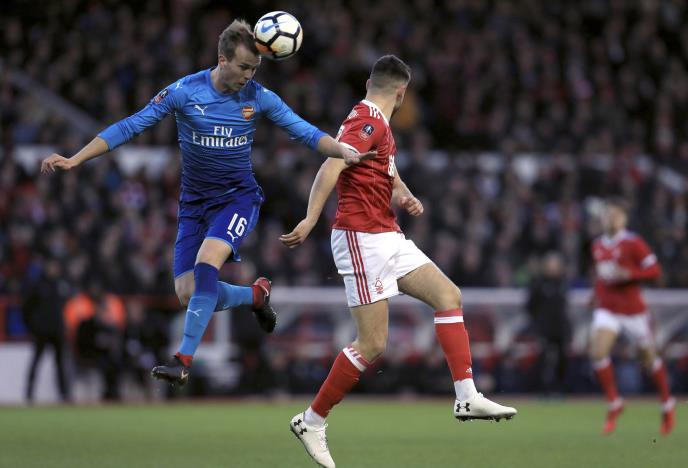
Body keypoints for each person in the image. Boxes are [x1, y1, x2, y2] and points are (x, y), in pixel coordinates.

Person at [40, 19, 372, 386]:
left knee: (206, 264)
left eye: (254, 68)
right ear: (222, 59)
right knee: (188, 293)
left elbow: (305, 131)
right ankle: (255, 296)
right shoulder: (185, 91)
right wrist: (76, 158)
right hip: (194, 206)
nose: (249, 75)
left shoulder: (259, 97)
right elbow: (130, 126)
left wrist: (343, 150)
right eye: (243, 67)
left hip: (238, 199)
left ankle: (182, 360)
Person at [280, 55, 516, 468]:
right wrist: (311, 217)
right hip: (361, 237)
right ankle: (311, 421)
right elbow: (332, 164)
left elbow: (381, 168)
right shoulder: (368, 121)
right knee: (373, 344)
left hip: (386, 234)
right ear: (402, 93)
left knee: (448, 296)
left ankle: (466, 396)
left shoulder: (376, 123)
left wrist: (401, 192)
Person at [589, 197, 675, 435]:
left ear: (624, 219)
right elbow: (602, 276)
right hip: (607, 308)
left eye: (615, 215)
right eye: (607, 214)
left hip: (632, 310)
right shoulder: (597, 245)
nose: (610, 219)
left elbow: (655, 270)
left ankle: (667, 403)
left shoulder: (633, 242)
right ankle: (614, 403)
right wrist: (595, 295)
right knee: (598, 352)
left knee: (648, 358)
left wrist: (631, 274)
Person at [22, 258, 71, 403]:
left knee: (60, 364)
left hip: (57, 331)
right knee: (36, 361)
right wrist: (32, 327)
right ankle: (29, 393)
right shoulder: (38, 285)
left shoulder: (61, 284)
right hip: (42, 331)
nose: (54, 269)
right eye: (51, 266)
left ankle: (63, 394)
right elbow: (26, 308)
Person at [525, 251, 571, 395]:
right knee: (543, 359)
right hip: (544, 329)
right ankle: (541, 389)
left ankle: (560, 389)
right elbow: (530, 306)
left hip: (560, 329)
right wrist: (538, 323)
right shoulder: (539, 284)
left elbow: (564, 308)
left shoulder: (562, 283)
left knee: (562, 360)